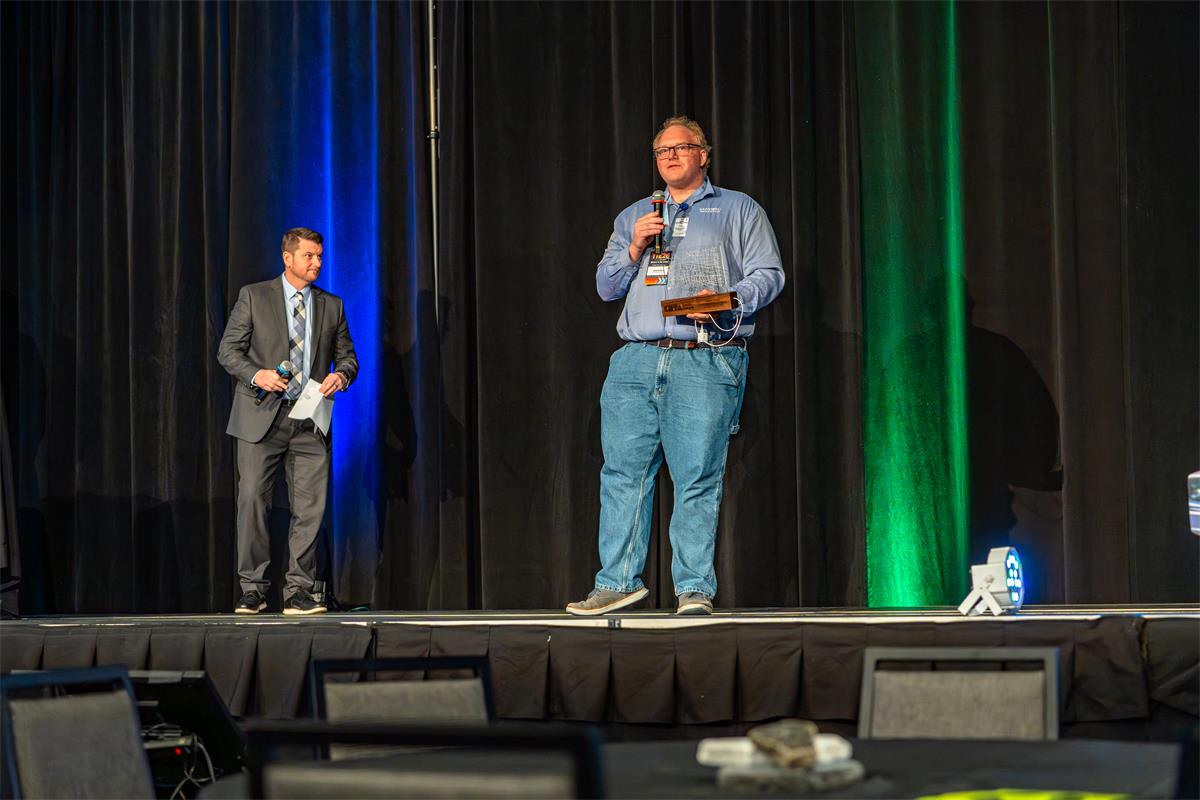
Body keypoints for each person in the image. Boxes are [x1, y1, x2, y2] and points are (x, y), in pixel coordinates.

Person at [567, 116, 784, 616]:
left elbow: (769, 274)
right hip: (635, 360)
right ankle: (618, 583)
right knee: (622, 474)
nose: (670, 157)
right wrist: (636, 246)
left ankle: (693, 590)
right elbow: (605, 287)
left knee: (697, 478)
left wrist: (729, 301)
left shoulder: (737, 209)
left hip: (703, 356)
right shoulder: (635, 215)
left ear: (703, 154)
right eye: (662, 150)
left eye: (681, 148)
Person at [217, 227, 358, 615]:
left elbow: (348, 357)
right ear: (288, 257)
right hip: (261, 416)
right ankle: (253, 590)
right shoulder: (254, 296)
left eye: (319, 256)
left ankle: (299, 590)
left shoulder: (332, 305)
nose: (317, 263)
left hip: (309, 420)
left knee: (310, 508)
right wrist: (255, 374)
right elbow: (227, 351)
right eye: (309, 256)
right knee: (252, 504)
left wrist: (341, 376)